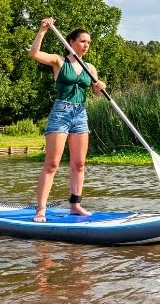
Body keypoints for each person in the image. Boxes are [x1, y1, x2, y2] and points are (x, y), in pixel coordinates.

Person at [28, 17, 106, 222]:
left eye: (88, 42)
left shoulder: (91, 68)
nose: (86, 45)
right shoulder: (59, 61)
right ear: (71, 42)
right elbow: (34, 54)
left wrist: (99, 88)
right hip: (60, 113)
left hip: (81, 114)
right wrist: (43, 29)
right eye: (82, 41)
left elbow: (97, 94)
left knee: (79, 164)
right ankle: (41, 209)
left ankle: (75, 205)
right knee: (52, 164)